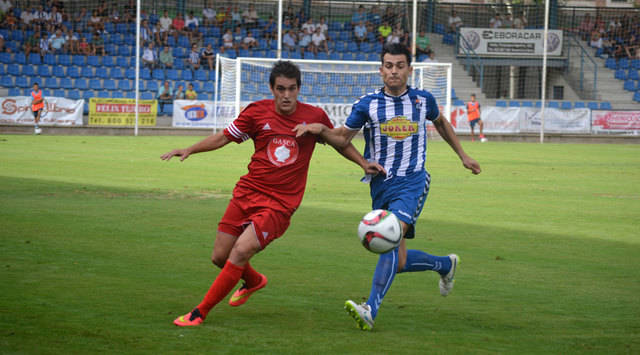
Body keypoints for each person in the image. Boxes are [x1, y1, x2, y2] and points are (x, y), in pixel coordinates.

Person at [162, 61, 380, 327]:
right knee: (220, 256)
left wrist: (361, 162)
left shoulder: (314, 116)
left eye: (291, 89)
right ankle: (254, 281)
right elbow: (223, 138)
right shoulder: (256, 112)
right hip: (248, 192)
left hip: (280, 204)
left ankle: (199, 312)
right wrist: (190, 149)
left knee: (240, 252)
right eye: (280, 89)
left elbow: (339, 143)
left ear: (299, 89)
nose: (286, 95)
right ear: (272, 89)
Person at [292, 43, 481, 331]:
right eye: (389, 66)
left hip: (413, 181)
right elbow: (343, 138)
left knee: (389, 239)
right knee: (400, 260)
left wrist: (463, 155)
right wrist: (320, 130)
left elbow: (441, 123)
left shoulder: (422, 100)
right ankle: (445, 265)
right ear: (381, 70)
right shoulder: (367, 104)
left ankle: (370, 309)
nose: (394, 71)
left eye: (400, 65)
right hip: (381, 186)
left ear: (409, 69)